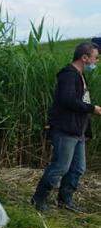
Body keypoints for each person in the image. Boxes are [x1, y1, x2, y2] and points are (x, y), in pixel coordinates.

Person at [30, 41, 101, 213]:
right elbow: (68, 100)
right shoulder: (69, 75)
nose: (96, 61)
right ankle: (38, 199)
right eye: (95, 58)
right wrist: (92, 109)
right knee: (60, 166)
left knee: (77, 168)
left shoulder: (79, 75)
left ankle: (65, 200)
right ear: (84, 58)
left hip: (78, 131)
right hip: (66, 130)